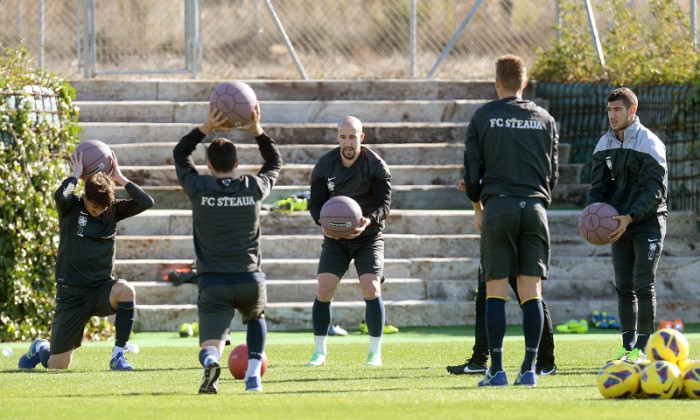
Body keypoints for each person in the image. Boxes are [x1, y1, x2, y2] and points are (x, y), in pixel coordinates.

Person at [463, 54, 559, 387]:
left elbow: (471, 177)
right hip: (535, 209)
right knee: (532, 293)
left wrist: (478, 202)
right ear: (525, 83)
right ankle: (530, 370)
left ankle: (497, 371)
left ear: (496, 82)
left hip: (499, 208)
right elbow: (553, 176)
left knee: (495, 294)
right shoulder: (545, 118)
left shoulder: (483, 116)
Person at [173, 104, 282, 393]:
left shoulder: (199, 187)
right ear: (237, 164)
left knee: (212, 342)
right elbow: (274, 162)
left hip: (213, 282)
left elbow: (180, 154)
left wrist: (205, 127)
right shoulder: (253, 187)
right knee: (256, 318)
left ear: (208, 165)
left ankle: (211, 361)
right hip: (249, 279)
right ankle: (253, 377)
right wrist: (256, 130)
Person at [18, 151, 154, 371]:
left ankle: (118, 356)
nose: (97, 210)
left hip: (100, 289)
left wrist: (119, 177)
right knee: (57, 367)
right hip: (71, 294)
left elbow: (146, 201)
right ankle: (41, 347)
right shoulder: (71, 207)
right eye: (93, 206)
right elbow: (60, 196)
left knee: (126, 290)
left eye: (102, 207)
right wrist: (76, 174)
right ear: (84, 196)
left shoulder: (112, 211)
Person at [586, 87, 667, 364]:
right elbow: (597, 188)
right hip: (617, 224)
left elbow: (654, 192)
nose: (612, 115)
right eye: (609, 110)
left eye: (617, 109)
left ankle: (642, 350)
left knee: (643, 285)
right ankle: (627, 346)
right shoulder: (603, 144)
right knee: (624, 287)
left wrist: (630, 217)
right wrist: (594, 214)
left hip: (647, 222)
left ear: (632, 110)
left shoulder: (650, 144)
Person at [306, 116, 391, 367]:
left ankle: (374, 352)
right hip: (336, 239)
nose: (348, 142)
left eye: (352, 136)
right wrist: (323, 224)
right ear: (337, 138)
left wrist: (367, 220)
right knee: (323, 288)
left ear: (361, 137)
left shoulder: (376, 165)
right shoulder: (325, 165)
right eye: (343, 137)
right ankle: (319, 351)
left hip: (368, 236)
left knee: (371, 288)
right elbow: (316, 205)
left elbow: (384, 205)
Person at [445, 262, 556, 376]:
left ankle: (546, 361)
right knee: (485, 299)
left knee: (530, 299)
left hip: (519, 247)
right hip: (495, 246)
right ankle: (479, 360)